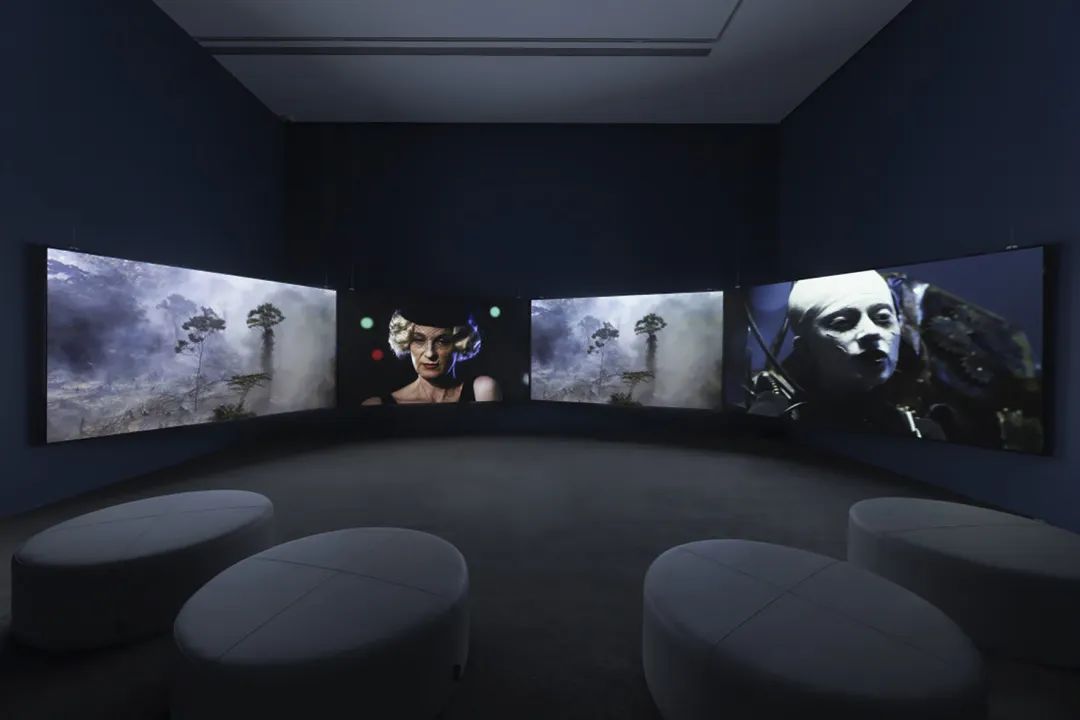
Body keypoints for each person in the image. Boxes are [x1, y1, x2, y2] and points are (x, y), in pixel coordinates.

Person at [748, 270, 945, 439]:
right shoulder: (771, 423)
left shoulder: (920, 432)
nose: (871, 332)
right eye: (842, 323)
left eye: (883, 318)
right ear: (804, 348)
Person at [362, 303, 501, 405]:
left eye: (442, 341)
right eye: (418, 340)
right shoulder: (378, 405)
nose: (430, 353)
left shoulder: (483, 391)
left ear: (459, 343)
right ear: (406, 342)